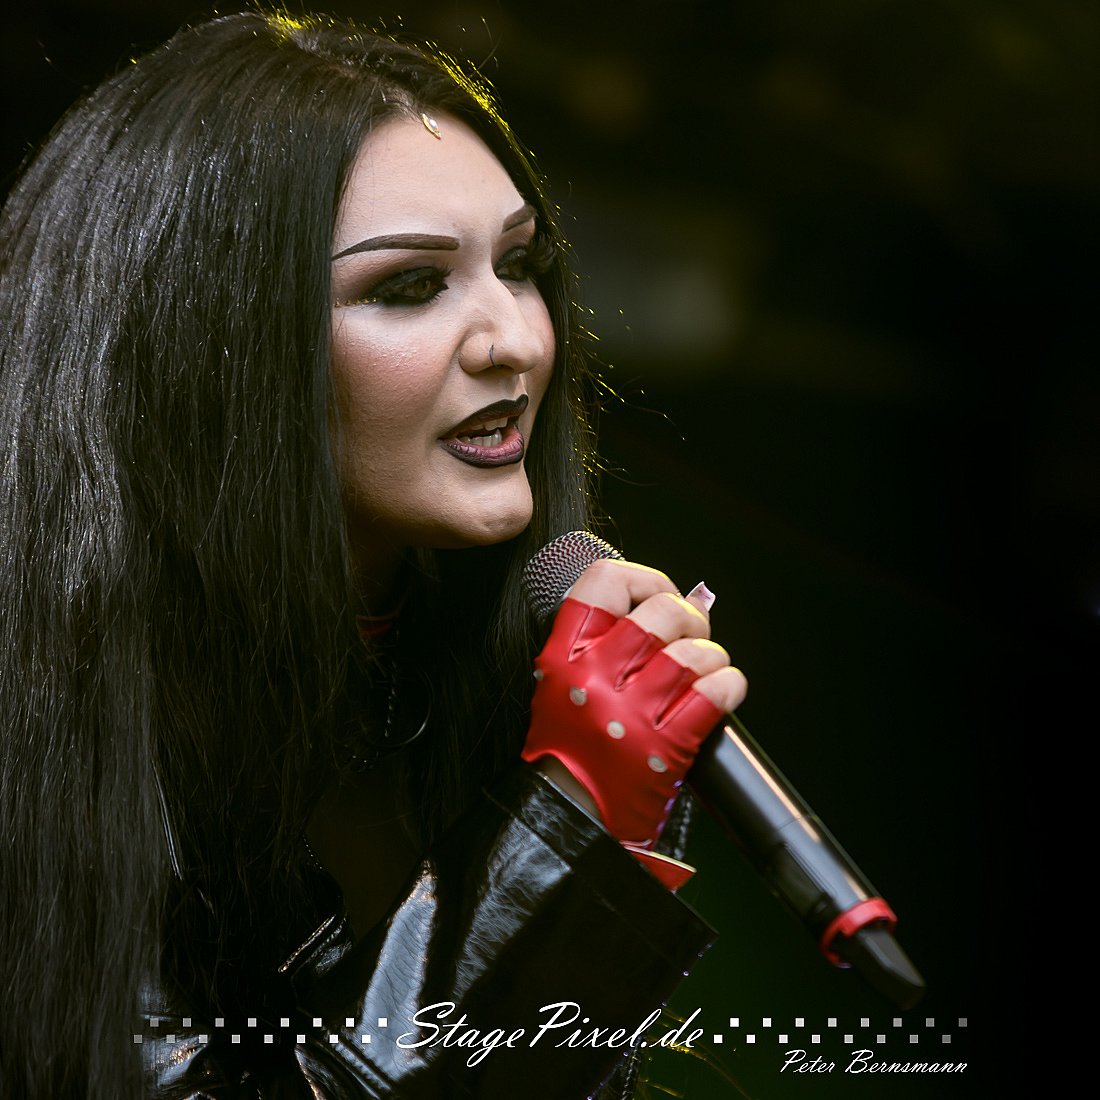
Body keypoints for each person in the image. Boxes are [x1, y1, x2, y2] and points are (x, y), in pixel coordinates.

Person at [0, 9, 746, 1099]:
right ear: (213, 344)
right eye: (408, 286)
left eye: (520, 264)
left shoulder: (454, 681)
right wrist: (558, 834)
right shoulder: (45, 718)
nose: (515, 339)